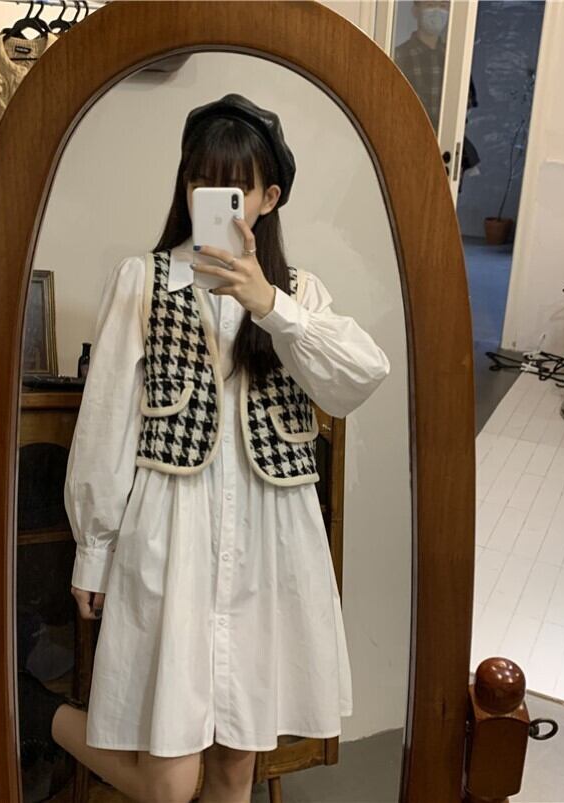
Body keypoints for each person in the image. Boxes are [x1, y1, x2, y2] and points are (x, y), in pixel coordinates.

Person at [19, 93, 391, 803]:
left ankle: (44, 714)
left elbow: (359, 377)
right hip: (170, 533)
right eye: (201, 181)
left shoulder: (298, 293)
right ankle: (45, 715)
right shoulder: (143, 279)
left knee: (233, 769)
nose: (214, 200)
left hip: (269, 546)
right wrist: (93, 548)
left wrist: (270, 306)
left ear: (268, 198)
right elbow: (106, 421)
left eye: (236, 188)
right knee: (169, 782)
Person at [394, 0, 450, 132]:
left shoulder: (452, 58)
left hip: (447, 138)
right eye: (430, 5)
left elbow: (467, 104)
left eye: (443, 6)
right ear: (415, 10)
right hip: (411, 135)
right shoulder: (400, 56)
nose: (437, 11)